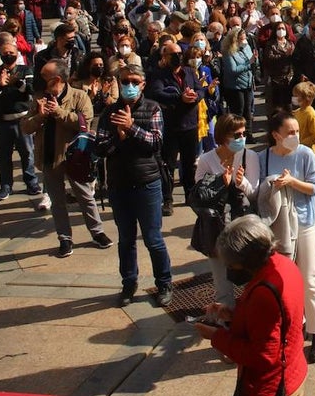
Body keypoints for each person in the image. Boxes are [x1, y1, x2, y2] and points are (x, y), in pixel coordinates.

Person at [196, 216, 308, 396]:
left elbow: (263, 356)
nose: (229, 269)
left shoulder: (264, 292)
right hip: (293, 370)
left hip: (272, 387)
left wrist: (216, 336)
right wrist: (235, 317)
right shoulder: (284, 264)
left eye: (231, 265)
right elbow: (277, 322)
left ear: (245, 261)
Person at [95, 63, 174, 308]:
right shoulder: (110, 113)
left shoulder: (152, 109)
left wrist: (131, 128)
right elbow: (101, 147)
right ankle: (129, 283)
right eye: (125, 81)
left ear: (143, 85)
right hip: (119, 184)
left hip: (146, 183)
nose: (129, 86)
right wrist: (119, 138)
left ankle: (164, 282)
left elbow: (156, 143)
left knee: (153, 238)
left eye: (134, 82)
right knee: (126, 239)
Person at [257, 110, 315, 364]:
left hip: (305, 223)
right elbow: (257, 192)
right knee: (284, 282)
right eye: (290, 132)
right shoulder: (264, 157)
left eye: (297, 131)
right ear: (276, 135)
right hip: (279, 227)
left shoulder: (306, 154)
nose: (295, 136)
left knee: (309, 278)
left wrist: (291, 182)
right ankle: (294, 327)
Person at [21, 59, 111, 257]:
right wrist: (40, 116)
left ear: (56, 79)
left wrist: (58, 112)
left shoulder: (79, 96)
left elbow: (84, 123)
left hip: (75, 157)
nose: (40, 80)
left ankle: (97, 232)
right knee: (57, 201)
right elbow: (25, 127)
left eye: (44, 77)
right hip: (49, 156)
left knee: (85, 196)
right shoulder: (39, 98)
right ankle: (65, 238)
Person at [193, 114, 260, 310]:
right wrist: (221, 182)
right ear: (223, 136)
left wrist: (241, 182)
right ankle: (225, 317)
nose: (242, 138)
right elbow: (200, 194)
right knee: (221, 280)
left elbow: (254, 194)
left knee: (250, 274)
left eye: (243, 134)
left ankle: (252, 314)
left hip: (243, 224)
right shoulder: (206, 159)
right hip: (216, 225)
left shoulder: (249, 156)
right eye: (236, 135)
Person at [146, 41, 204, 215]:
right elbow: (156, 93)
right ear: (165, 57)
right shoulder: (158, 74)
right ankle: (167, 199)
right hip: (171, 126)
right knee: (168, 165)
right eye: (173, 54)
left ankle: (190, 194)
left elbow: (200, 89)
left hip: (190, 124)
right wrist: (180, 98)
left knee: (189, 164)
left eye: (179, 54)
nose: (177, 57)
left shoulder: (189, 72)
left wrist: (194, 96)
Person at [0, 34, 43, 203]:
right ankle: (5, 186)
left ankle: (31, 183)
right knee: (4, 156)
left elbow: (31, 89)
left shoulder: (25, 70)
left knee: (27, 153)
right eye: (5, 53)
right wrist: (0, 85)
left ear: (17, 54)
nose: (8, 55)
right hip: (2, 121)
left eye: (11, 52)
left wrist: (18, 83)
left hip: (22, 120)